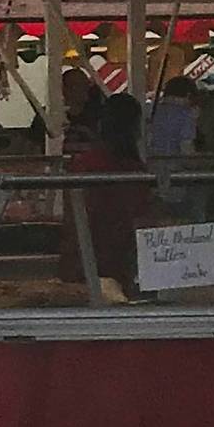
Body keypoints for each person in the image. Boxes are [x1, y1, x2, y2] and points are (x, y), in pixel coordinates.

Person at [60, 92, 151, 296]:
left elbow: (75, 220)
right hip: (118, 263)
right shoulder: (133, 170)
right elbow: (140, 217)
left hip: (84, 262)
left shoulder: (84, 164)